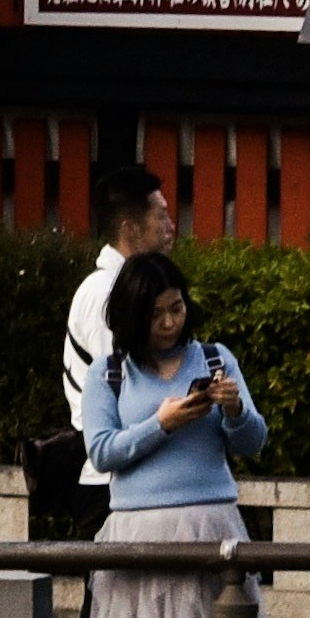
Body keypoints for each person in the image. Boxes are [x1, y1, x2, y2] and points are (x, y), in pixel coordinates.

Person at [76, 248, 270, 618]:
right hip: (137, 534)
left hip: (212, 526)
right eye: (157, 313)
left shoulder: (214, 358)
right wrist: (162, 422)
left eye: (177, 308)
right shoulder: (109, 373)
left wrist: (234, 410)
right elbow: (102, 450)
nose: (169, 322)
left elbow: (254, 440)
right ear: (132, 316)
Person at [49, 160, 180, 452]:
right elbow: (123, 390)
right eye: (161, 216)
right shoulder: (104, 294)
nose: (171, 226)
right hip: (112, 462)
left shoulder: (133, 286)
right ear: (130, 229)